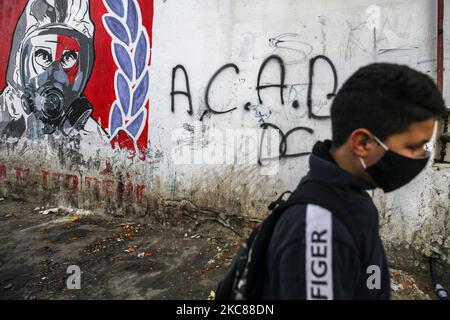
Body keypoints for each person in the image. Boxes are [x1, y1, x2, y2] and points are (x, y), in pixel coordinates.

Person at [262, 63, 446, 300]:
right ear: (362, 143)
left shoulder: (352, 194)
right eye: (414, 146)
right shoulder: (318, 232)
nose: (423, 155)